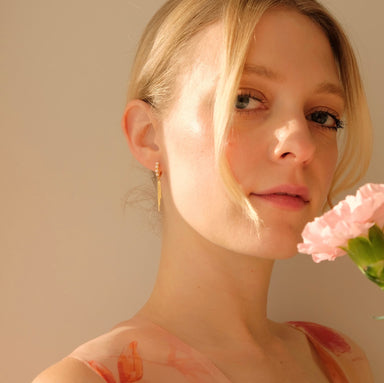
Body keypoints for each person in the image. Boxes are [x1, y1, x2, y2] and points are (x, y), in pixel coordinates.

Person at [33, 0, 374, 382]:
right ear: (149, 136)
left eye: (322, 117)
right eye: (243, 100)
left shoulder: (339, 360)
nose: (301, 144)